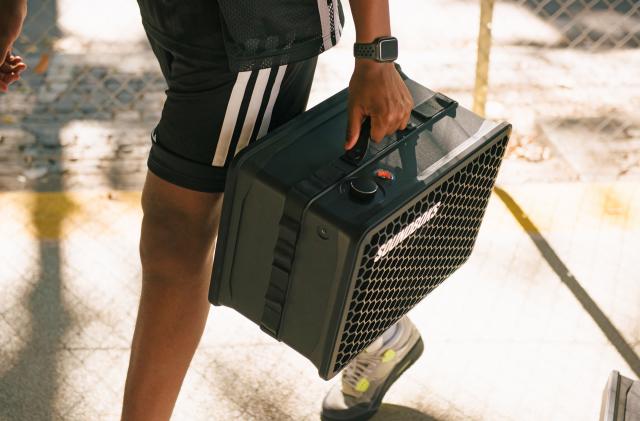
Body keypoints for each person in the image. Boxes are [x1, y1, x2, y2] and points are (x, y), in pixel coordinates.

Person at [1, 0, 423, 419]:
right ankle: (377, 331)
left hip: (253, 27)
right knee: (252, 214)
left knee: (177, 236)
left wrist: (376, 51)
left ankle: (375, 329)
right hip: (180, 22)